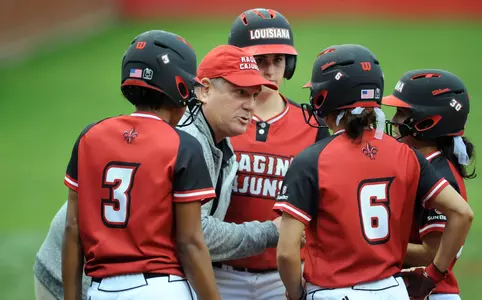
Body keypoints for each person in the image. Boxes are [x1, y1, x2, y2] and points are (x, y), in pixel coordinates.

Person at [33, 44, 282, 299]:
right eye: (239, 92)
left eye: (254, 95)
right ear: (204, 90)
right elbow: (197, 236)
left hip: (105, 278)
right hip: (76, 274)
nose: (250, 105)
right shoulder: (182, 138)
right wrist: (270, 232)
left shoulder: (216, 140)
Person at [272, 44, 475, 300]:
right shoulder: (407, 155)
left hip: (332, 292)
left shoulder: (312, 159)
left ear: (326, 96)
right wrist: (433, 275)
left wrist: (295, 293)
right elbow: (462, 213)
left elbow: (286, 252)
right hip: (393, 291)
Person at [61, 30, 220, 300]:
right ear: (178, 85)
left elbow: (71, 229)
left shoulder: (90, 136)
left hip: (101, 290)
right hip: (161, 288)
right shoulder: (182, 145)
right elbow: (190, 242)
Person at [209, 8, 330, 299]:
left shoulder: (312, 124)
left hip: (285, 276)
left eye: (278, 60)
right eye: (260, 60)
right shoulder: (218, 120)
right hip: (222, 273)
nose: (270, 69)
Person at [382, 69, 476, 300]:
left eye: (402, 113)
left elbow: (431, 252)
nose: (394, 120)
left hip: (429, 294)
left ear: (427, 121)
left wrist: (371, 246)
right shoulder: (425, 164)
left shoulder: (438, 175)